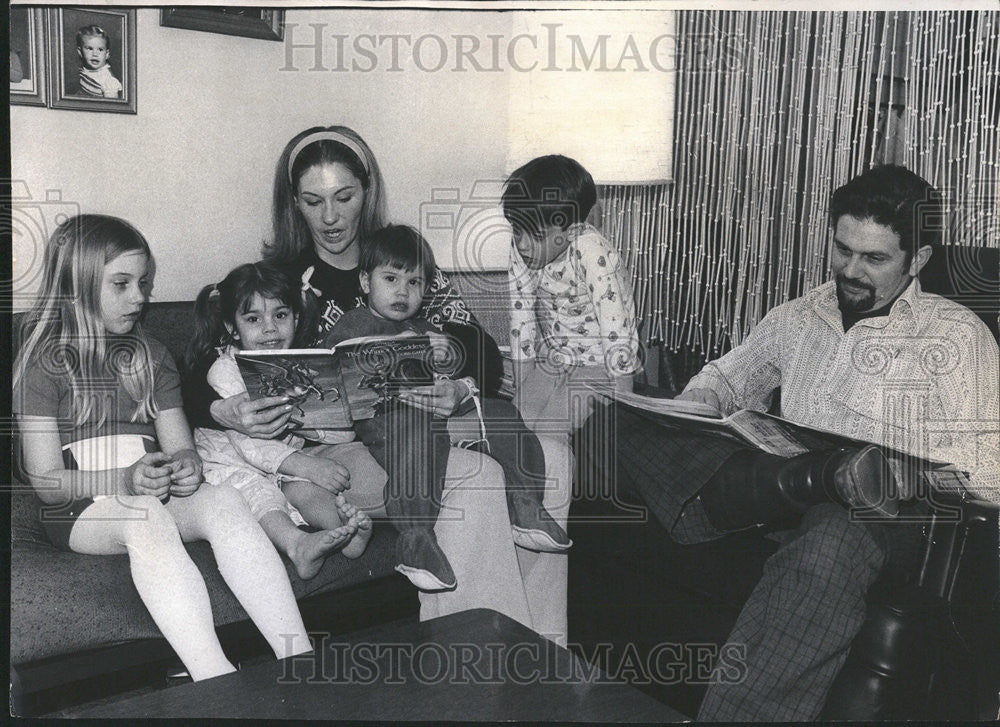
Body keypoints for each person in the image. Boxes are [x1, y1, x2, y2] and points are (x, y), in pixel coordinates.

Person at [599, 164, 1000, 721]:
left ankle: (827, 479)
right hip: (784, 497)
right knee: (612, 420)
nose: (851, 271)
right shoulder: (801, 314)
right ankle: (816, 476)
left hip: (885, 521)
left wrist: (907, 473)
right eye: (842, 250)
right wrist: (698, 408)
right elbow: (726, 377)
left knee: (834, 529)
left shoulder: (956, 336)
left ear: (919, 261)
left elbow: (990, 477)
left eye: (874, 259)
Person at [182, 125, 574, 643]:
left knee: (556, 461)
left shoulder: (401, 261)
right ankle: (476, 667)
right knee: (473, 478)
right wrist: (220, 409)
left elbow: (477, 347)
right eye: (312, 201)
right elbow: (197, 370)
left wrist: (460, 382)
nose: (330, 217)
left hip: (431, 419)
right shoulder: (279, 282)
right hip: (344, 448)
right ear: (293, 204)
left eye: (344, 197)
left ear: (367, 194)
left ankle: (544, 650)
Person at [13, 214, 312, 683]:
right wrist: (126, 480)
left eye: (144, 283)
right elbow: (48, 484)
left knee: (224, 499)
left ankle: (299, 657)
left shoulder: (151, 354)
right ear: (78, 286)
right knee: (145, 516)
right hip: (78, 508)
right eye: (122, 284)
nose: (140, 296)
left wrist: (187, 468)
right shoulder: (42, 363)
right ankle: (215, 678)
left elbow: (180, 447)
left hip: (150, 489)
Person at [326, 224, 572, 590]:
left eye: (415, 283)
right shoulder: (350, 325)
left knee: (502, 413)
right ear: (365, 282)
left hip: (438, 411)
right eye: (391, 278)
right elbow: (332, 374)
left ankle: (524, 502)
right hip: (389, 419)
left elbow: (457, 370)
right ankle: (416, 536)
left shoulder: (426, 326)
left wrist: (448, 363)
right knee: (416, 434)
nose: (402, 291)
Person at [186, 261, 373, 580]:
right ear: (233, 327)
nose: (270, 328)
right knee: (264, 492)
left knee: (306, 491)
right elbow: (249, 443)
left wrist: (339, 416)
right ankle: (297, 545)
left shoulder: (298, 365)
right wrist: (308, 465)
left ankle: (347, 534)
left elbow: (326, 430)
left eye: (280, 315)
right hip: (229, 465)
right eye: (253, 318)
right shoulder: (224, 371)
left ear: (296, 318)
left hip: (282, 466)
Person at [502, 154, 641, 434]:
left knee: (549, 432)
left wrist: (624, 398)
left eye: (537, 235)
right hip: (556, 360)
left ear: (573, 230)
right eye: (518, 231)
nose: (524, 245)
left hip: (602, 367)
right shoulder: (521, 249)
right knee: (515, 426)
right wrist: (524, 384)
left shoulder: (591, 252)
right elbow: (521, 319)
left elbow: (617, 326)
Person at [75, 25, 122, 99]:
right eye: (90, 49)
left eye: (100, 49)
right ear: (80, 52)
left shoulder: (108, 81)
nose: (95, 54)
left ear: (107, 54)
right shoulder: (84, 71)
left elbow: (111, 107)